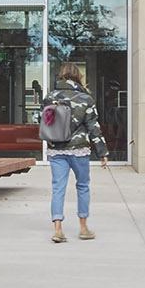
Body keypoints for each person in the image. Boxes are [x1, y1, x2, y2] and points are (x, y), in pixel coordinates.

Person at [43, 59, 104, 244]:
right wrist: (102, 151)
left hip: (56, 150)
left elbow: (44, 120)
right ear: (78, 76)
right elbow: (94, 127)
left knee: (58, 188)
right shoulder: (85, 98)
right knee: (83, 186)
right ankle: (84, 228)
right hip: (79, 150)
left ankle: (58, 229)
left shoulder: (49, 97)